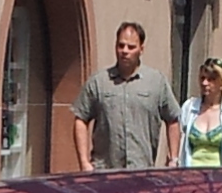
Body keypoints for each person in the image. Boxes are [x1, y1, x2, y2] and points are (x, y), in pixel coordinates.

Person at [70, 22, 177, 171]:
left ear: (141, 49)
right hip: (105, 170)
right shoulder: (99, 82)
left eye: (131, 47)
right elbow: (81, 118)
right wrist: (84, 162)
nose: (125, 51)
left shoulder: (156, 82)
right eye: (121, 46)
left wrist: (173, 159)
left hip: (141, 170)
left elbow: (173, 119)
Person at [176, 58, 222, 167]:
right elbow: (179, 142)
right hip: (190, 172)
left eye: (211, 79)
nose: (204, 83)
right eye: (202, 78)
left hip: (218, 174)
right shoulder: (190, 107)